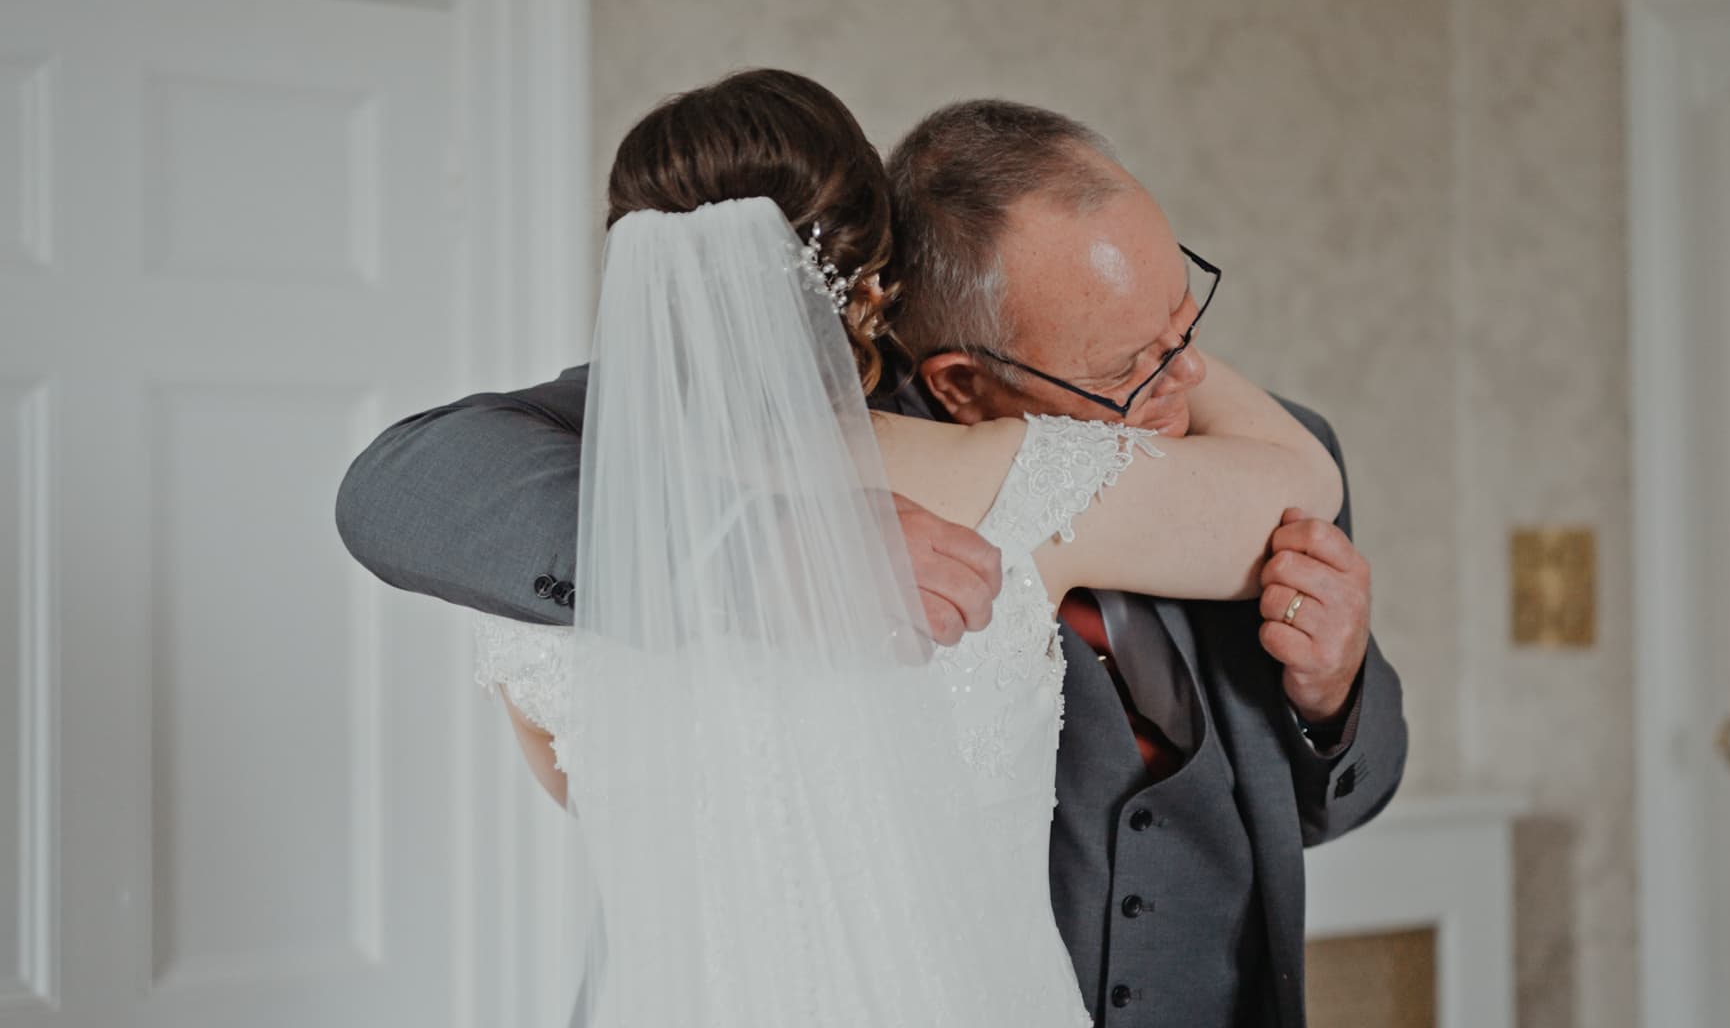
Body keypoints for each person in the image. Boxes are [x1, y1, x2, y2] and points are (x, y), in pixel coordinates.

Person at [336, 70, 1407, 1028]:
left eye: (1189, 324)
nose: (1184, 377)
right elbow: (400, 482)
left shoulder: (1225, 463)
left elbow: (1341, 796)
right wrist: (756, 548)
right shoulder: (982, 475)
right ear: (954, 376)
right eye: (1132, 361)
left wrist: (1333, 698)